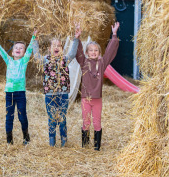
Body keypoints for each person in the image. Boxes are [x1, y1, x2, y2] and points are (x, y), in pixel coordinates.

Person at [0, 28, 36, 145]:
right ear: (12, 52)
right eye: (16, 48)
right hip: (9, 93)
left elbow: (30, 49)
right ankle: (9, 141)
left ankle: (26, 138)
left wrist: (33, 37)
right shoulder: (9, 60)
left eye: (21, 48)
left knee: (22, 116)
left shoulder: (24, 61)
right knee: (9, 117)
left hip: (20, 93)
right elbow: (0, 49)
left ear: (24, 52)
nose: (18, 49)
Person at [32, 25, 81, 147]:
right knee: (52, 119)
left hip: (63, 94)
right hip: (50, 95)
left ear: (62, 48)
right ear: (49, 49)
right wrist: (35, 39)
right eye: (54, 46)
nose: (56, 47)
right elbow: (36, 56)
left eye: (58, 46)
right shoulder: (45, 60)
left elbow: (73, 52)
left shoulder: (65, 59)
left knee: (62, 119)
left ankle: (64, 141)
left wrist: (76, 38)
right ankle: (52, 142)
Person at [76, 22, 120, 151]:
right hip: (86, 98)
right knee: (86, 122)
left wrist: (114, 34)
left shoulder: (102, 63)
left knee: (97, 122)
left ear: (99, 52)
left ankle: (96, 146)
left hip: (97, 99)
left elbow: (110, 51)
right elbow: (78, 52)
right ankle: (85, 145)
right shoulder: (84, 62)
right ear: (87, 52)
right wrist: (77, 38)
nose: (93, 52)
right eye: (91, 50)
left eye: (96, 50)